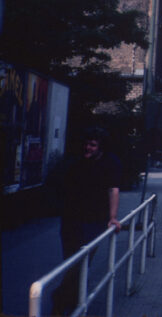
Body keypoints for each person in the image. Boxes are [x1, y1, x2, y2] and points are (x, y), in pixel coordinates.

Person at [54, 127, 122, 314]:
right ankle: (69, 301)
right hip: (71, 220)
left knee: (82, 262)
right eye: (86, 144)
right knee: (71, 261)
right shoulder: (76, 162)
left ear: (101, 147)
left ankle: (62, 300)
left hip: (94, 221)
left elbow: (113, 190)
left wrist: (113, 218)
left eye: (92, 145)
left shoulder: (110, 163)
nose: (88, 148)